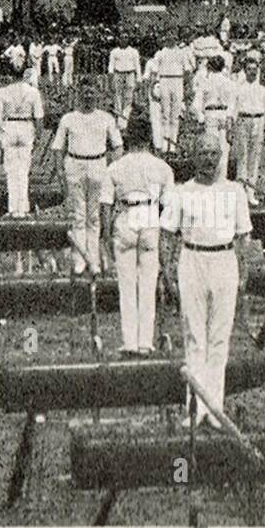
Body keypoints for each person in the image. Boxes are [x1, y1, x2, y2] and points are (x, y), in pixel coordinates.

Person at [159, 133, 252, 428]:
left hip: (224, 262)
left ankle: (214, 409)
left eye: (214, 153)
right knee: (195, 337)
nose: (209, 159)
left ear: (220, 157)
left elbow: (243, 235)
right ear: (194, 156)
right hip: (192, 260)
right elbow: (166, 234)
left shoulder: (235, 191)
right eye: (203, 153)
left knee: (219, 338)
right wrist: (169, 271)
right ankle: (195, 407)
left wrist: (243, 272)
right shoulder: (181, 192)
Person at [100, 113, 175, 355]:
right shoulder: (162, 167)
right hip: (150, 216)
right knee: (148, 283)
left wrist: (105, 237)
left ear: (128, 136)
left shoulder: (115, 167)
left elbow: (105, 206)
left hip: (126, 218)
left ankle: (129, 341)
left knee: (127, 285)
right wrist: (166, 240)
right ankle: (145, 342)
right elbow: (169, 208)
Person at [52, 91, 123, 275]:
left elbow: (117, 145)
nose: (89, 96)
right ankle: (79, 261)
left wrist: (114, 170)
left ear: (97, 95)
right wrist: (60, 171)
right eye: (85, 93)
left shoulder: (105, 118)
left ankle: (94, 261)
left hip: (98, 165)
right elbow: (58, 147)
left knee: (94, 217)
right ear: (79, 95)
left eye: (92, 92)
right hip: (75, 164)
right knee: (78, 216)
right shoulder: (69, 119)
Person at [0, 57, 44, 216]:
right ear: (24, 73)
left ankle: (13, 208)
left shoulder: (3, 92)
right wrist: (38, 136)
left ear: (10, 73)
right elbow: (39, 117)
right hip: (26, 126)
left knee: (11, 170)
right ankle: (23, 208)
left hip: (9, 126)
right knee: (23, 170)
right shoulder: (33, 91)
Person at [230, 55, 265, 201]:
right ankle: (240, 190)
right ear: (244, 71)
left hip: (259, 121)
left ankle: (251, 192)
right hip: (243, 120)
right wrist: (230, 130)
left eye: (255, 69)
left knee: (255, 157)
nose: (252, 72)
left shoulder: (263, 90)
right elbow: (232, 111)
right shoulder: (238, 89)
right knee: (242, 155)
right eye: (249, 69)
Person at [191, 55, 235, 179]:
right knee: (224, 149)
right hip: (224, 114)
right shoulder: (229, 82)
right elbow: (232, 103)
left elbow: (196, 104)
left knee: (211, 148)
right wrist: (229, 119)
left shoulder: (205, 82)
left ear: (210, 67)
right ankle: (221, 178)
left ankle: (212, 178)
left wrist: (200, 118)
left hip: (210, 114)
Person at [151, 32, 194, 153]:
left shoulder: (181, 53)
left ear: (176, 39)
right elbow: (154, 71)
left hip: (177, 81)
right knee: (165, 114)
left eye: (174, 37)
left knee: (175, 115)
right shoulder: (160, 53)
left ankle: (173, 144)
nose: (171, 40)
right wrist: (153, 85)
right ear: (166, 39)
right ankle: (165, 144)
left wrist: (185, 85)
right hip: (164, 80)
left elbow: (187, 70)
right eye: (169, 37)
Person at [106, 34, 141, 128]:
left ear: (129, 39)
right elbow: (110, 67)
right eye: (121, 37)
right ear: (118, 39)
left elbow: (137, 66)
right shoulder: (114, 52)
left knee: (128, 98)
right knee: (117, 97)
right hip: (118, 74)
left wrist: (139, 80)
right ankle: (118, 122)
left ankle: (123, 122)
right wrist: (110, 81)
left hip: (130, 74)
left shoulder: (134, 51)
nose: (123, 39)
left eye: (126, 37)